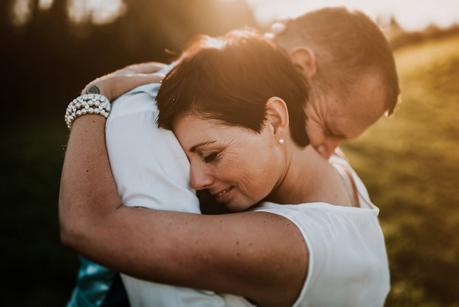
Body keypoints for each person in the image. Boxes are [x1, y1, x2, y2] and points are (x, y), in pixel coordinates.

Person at [65, 7, 399, 306]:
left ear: (276, 118)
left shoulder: (299, 239)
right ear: (300, 67)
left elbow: (92, 226)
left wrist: (95, 96)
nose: (329, 151)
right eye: (328, 129)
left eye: (210, 155)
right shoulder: (167, 110)